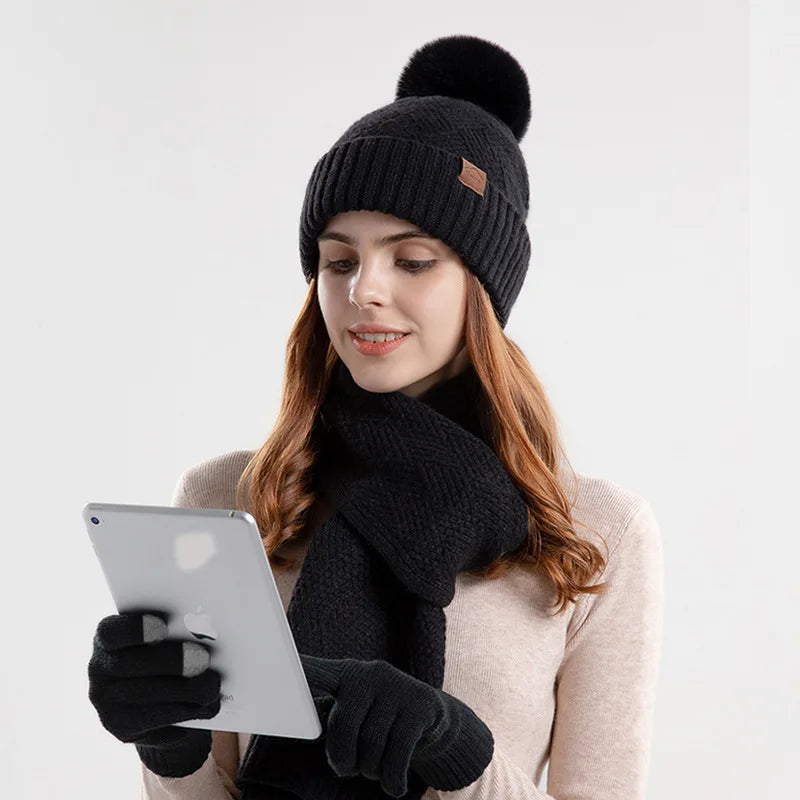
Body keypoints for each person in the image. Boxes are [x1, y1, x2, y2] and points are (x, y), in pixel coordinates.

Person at [88, 34, 663, 800]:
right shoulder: (231, 499)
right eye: (339, 260)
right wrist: (169, 747)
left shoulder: (594, 532)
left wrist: (457, 755)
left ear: (482, 287)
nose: (364, 290)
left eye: (413, 260)